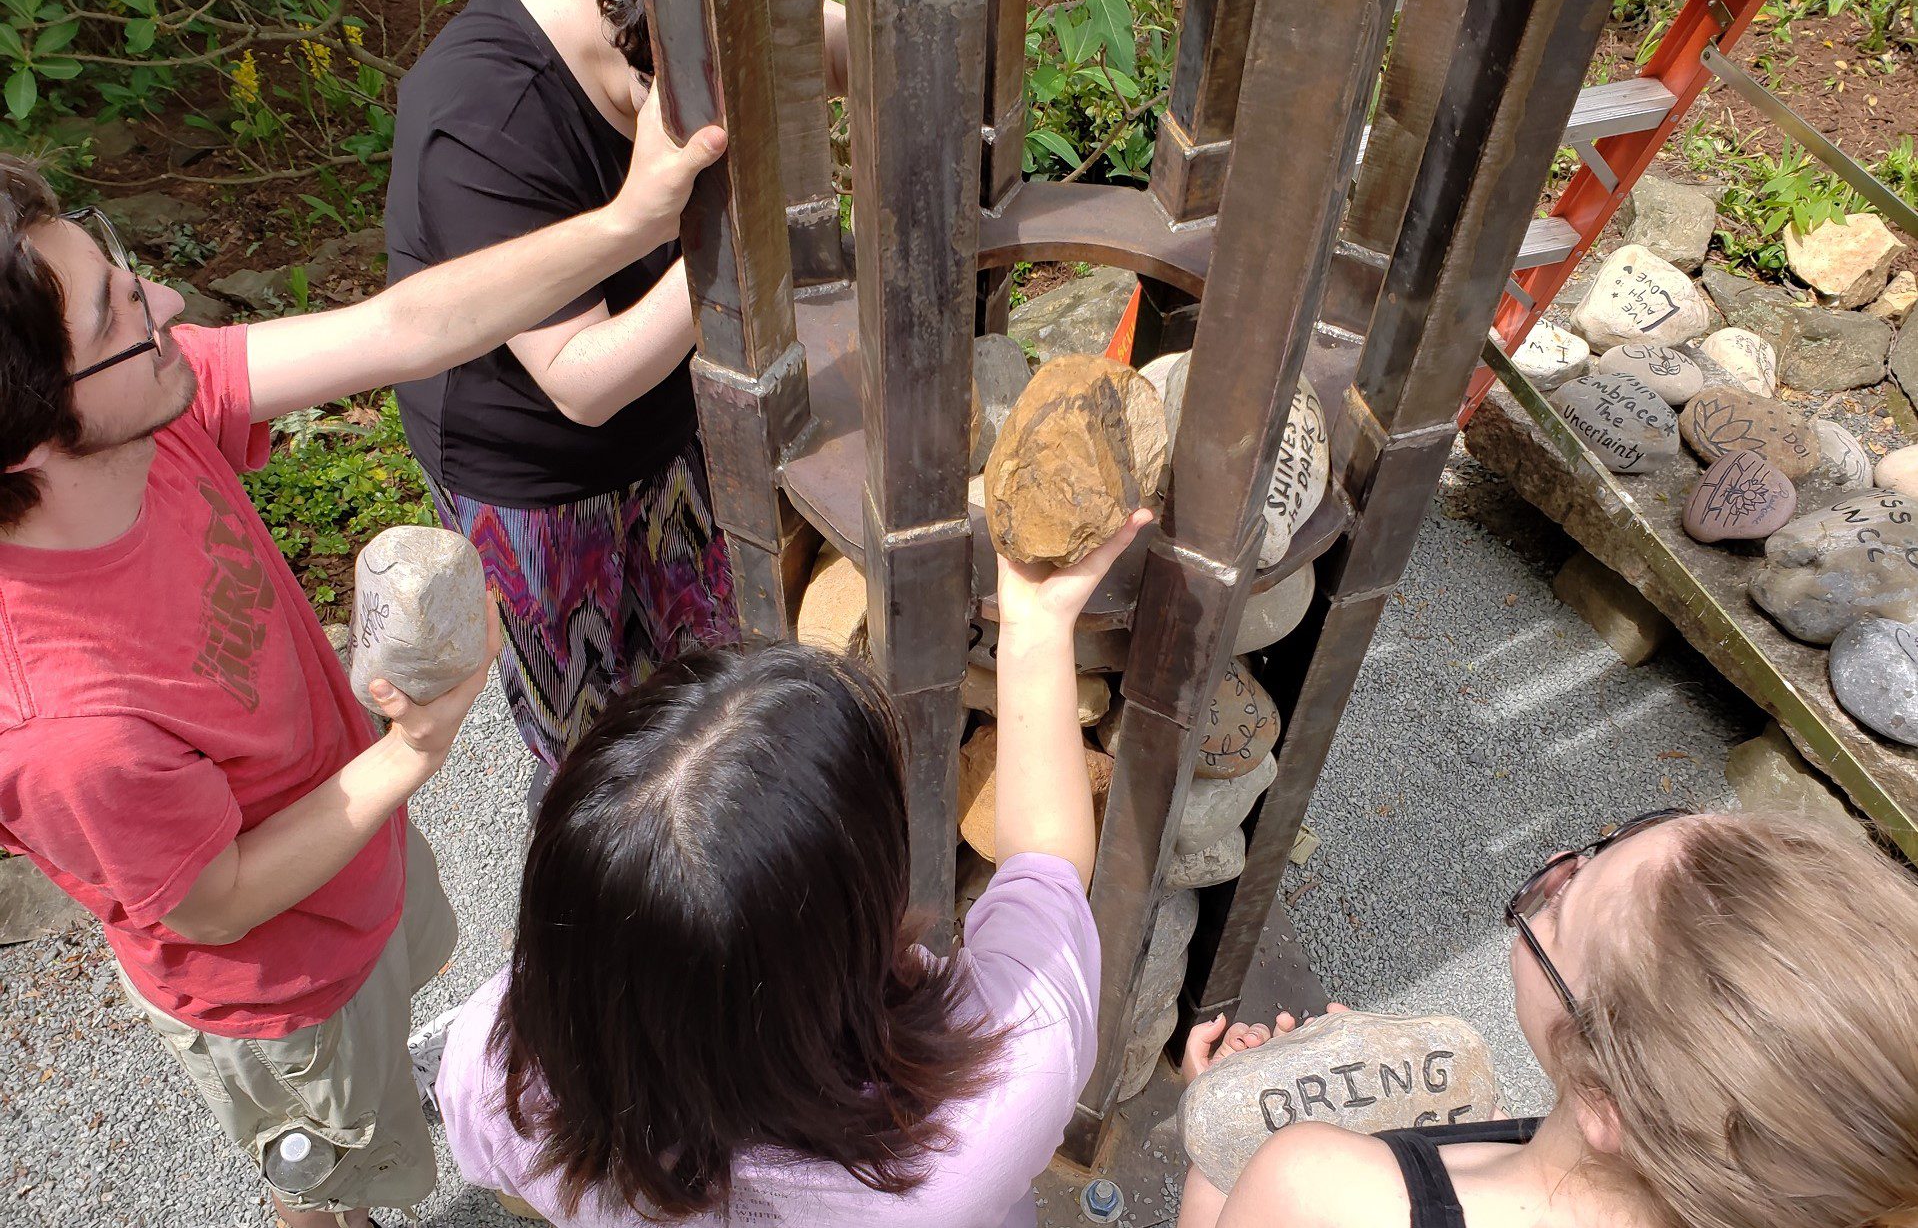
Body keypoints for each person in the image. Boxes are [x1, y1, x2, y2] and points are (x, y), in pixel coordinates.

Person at [0, 99, 724, 1228]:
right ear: (35, 426)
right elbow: (216, 901)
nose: (174, 306)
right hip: (278, 991)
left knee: (388, 1039)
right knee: (334, 1174)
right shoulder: (59, 723)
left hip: (349, 862)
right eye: (122, 314)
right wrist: (418, 747)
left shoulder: (144, 410)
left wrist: (631, 220)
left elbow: (406, 326)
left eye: (126, 277)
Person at [434, 513, 1154, 1225]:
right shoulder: (990, 1109)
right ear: (860, 908)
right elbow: (1047, 868)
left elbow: (514, 1171)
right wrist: (1035, 626)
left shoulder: (500, 1081)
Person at [385, 0, 848, 790]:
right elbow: (580, 380)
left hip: (667, 413)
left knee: (704, 681)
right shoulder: (480, 121)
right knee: (594, 745)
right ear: (647, 68)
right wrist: (744, 220)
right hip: (533, 468)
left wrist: (875, 61)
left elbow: (786, 36)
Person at [1177, 808, 1918, 1228]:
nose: (1563, 857)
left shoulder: (1319, 1189)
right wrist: (1447, 1114)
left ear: (1606, 1102)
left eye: (1558, 905)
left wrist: (1224, 1124)